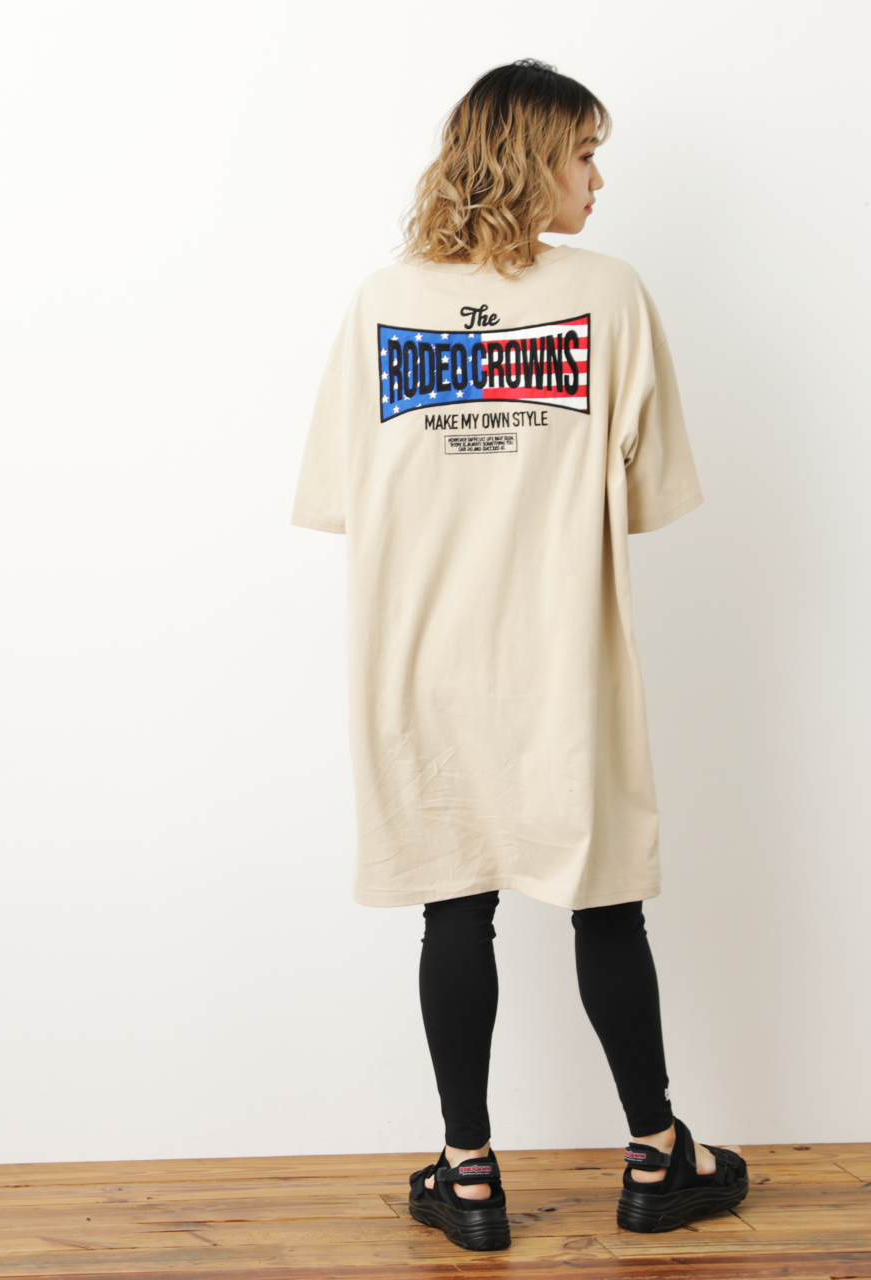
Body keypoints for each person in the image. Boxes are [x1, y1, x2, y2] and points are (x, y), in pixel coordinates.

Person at [289, 60, 748, 1252]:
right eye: (584, 153)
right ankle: (655, 1153)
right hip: (561, 660)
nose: (597, 178)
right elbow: (647, 497)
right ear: (532, 158)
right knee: (605, 904)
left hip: (422, 664)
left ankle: (469, 1173)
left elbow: (339, 495)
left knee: (454, 906)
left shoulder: (381, 302)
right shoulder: (611, 295)